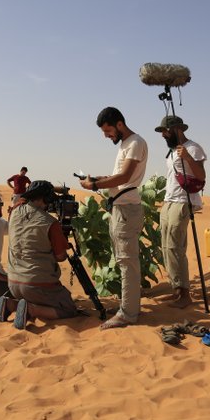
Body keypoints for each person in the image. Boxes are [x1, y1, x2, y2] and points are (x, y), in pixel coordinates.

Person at [79, 106, 148, 330]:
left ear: (119, 124)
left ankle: (128, 314)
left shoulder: (135, 142)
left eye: (108, 130)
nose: (106, 135)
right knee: (122, 261)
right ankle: (128, 306)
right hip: (120, 208)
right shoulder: (125, 145)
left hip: (127, 210)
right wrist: (96, 179)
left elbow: (126, 176)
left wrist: (96, 185)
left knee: (127, 263)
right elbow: (118, 177)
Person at [5, 180, 78, 330]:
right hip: (36, 285)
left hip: (12, 283)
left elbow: (24, 199)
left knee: (34, 295)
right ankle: (31, 310)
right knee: (68, 308)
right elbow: (61, 257)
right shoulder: (50, 223)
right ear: (46, 198)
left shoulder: (14, 212)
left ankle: (11, 304)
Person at [154, 115, 207, 309]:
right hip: (169, 200)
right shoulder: (171, 151)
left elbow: (201, 176)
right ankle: (176, 290)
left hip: (183, 201)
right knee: (166, 246)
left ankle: (185, 294)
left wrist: (187, 157)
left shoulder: (193, 148)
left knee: (176, 247)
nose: (163, 136)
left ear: (176, 130)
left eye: (165, 132)